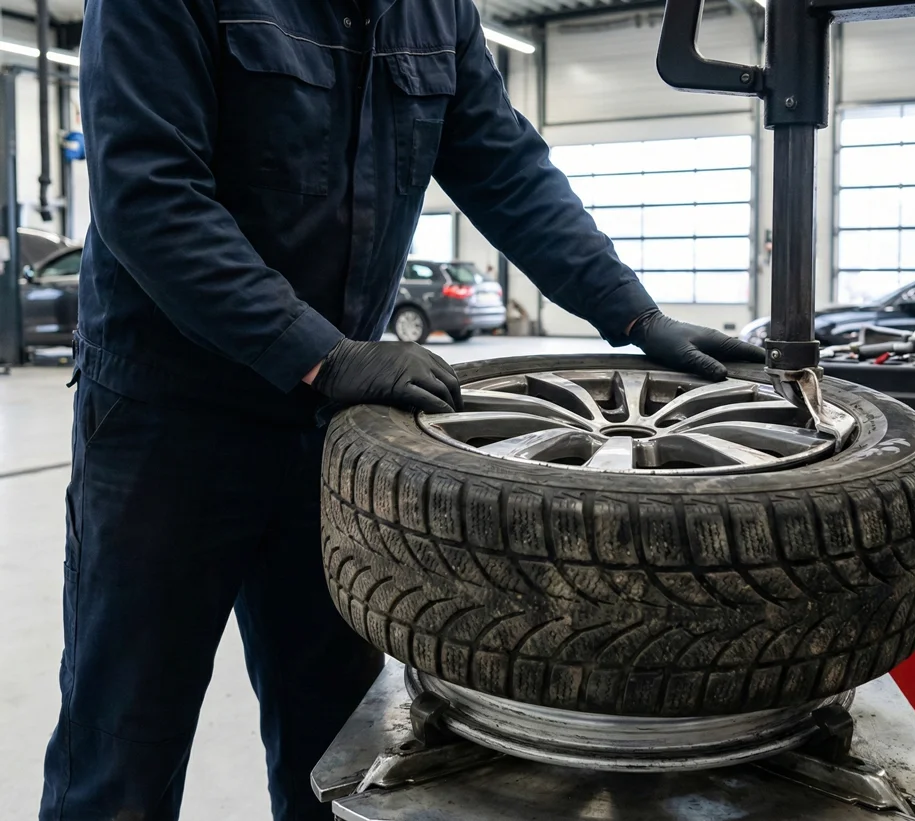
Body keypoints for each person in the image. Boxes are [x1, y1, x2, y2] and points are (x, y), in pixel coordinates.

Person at [38, 1, 764, 819]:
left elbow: (505, 167)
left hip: (334, 428)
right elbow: (150, 196)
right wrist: (324, 352)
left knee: (338, 744)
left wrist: (631, 312)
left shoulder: (435, 10)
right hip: (167, 422)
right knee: (122, 739)